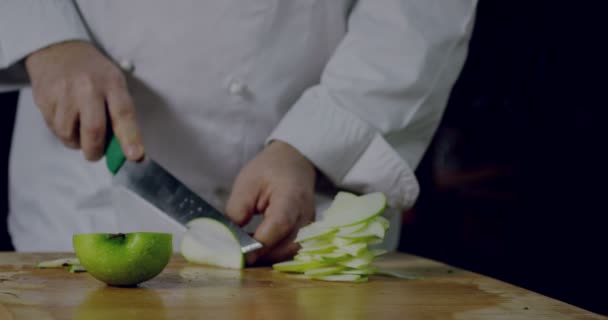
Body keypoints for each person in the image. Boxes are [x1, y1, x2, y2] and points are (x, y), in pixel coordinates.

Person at [0, 1, 477, 264]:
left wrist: (316, 143)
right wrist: (45, 39)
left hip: (301, 202)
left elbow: (419, 13)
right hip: (79, 201)